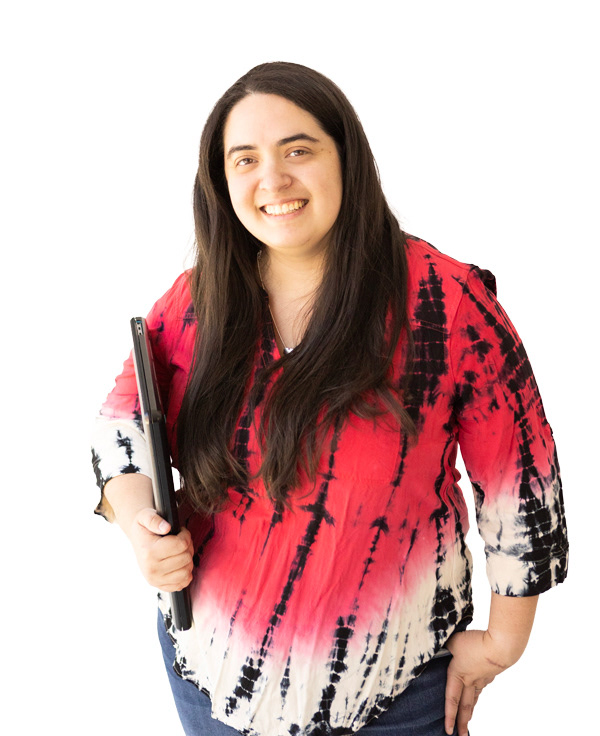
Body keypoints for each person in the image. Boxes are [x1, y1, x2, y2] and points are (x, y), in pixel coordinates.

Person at [91, 61, 568, 736]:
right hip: (213, 680)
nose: (273, 180)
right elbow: (121, 428)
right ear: (221, 184)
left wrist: (503, 642)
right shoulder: (199, 299)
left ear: (346, 156)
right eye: (245, 160)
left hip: (401, 691)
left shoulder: (444, 300)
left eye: (298, 150)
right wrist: (139, 524)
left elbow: (522, 481)